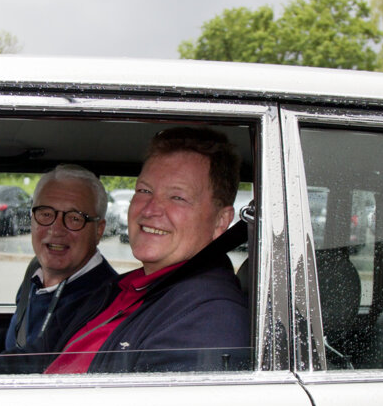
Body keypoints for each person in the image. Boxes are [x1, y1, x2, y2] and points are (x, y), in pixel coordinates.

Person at [44, 127, 250, 374]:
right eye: (144, 191)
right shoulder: (122, 288)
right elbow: (39, 355)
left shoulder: (209, 319)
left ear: (220, 221)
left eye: (177, 197)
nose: (150, 210)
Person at [2, 164, 119, 356]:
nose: (56, 229)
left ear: (99, 230)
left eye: (74, 218)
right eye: (46, 214)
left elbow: (48, 366)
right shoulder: (34, 274)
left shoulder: (106, 303)